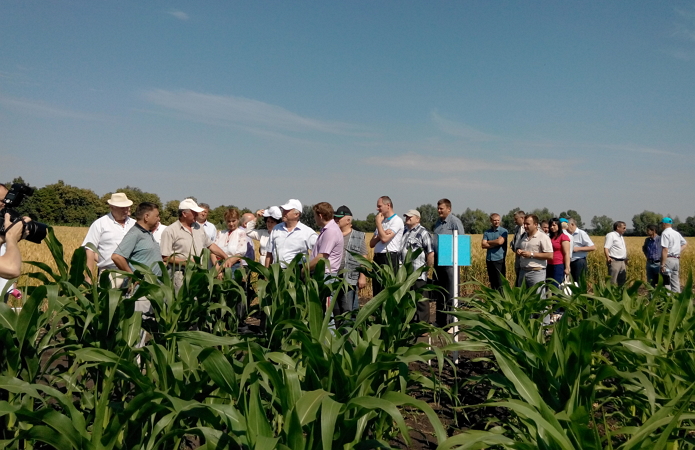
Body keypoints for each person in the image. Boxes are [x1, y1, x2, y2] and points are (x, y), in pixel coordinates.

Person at [111, 202, 163, 339]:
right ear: (146, 216)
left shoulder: (146, 233)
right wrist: (134, 276)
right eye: (156, 216)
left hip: (151, 290)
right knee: (136, 332)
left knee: (147, 330)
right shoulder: (135, 234)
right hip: (140, 292)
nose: (159, 219)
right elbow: (117, 256)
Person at [159, 198, 229, 291]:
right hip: (180, 275)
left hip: (199, 273)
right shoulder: (170, 231)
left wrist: (225, 256)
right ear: (184, 214)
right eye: (194, 212)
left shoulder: (198, 227)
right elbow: (165, 257)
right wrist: (187, 262)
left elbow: (210, 245)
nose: (197, 214)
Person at [82, 192, 135, 284]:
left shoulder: (134, 224)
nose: (126, 210)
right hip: (109, 274)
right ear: (112, 207)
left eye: (127, 207)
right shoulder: (100, 224)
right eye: (122, 208)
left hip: (133, 273)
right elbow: (90, 249)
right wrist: (88, 277)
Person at [432, 198, 465, 327]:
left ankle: (452, 323)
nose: (439, 211)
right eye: (438, 208)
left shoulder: (455, 222)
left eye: (442, 208)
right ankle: (440, 321)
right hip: (438, 262)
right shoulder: (438, 223)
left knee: (452, 293)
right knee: (440, 293)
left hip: (450, 263)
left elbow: (461, 241)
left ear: (449, 209)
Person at [400, 209, 435, 323]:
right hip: (405, 273)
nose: (407, 218)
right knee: (408, 299)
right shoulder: (404, 231)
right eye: (406, 217)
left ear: (417, 219)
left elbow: (430, 253)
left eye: (410, 217)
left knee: (421, 301)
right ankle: (409, 322)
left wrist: (427, 269)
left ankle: (423, 325)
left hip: (417, 273)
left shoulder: (423, 232)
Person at [333, 205, 367, 314]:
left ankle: (347, 330)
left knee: (347, 309)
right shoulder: (332, 234)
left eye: (339, 218)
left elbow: (363, 257)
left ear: (348, 220)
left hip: (349, 279)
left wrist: (362, 277)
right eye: (335, 217)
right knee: (334, 309)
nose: (336, 220)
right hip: (333, 277)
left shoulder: (358, 236)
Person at [265, 199, 318, 268]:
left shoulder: (307, 232)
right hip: (277, 273)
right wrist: (266, 274)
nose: (283, 213)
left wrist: (307, 269)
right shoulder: (276, 229)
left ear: (296, 214)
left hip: (296, 274)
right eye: (283, 210)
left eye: (287, 210)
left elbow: (319, 252)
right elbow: (269, 253)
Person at [369, 196, 404, 296]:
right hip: (378, 258)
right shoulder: (383, 222)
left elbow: (384, 239)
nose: (377, 209)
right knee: (377, 289)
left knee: (387, 289)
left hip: (389, 258)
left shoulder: (397, 221)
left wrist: (378, 225)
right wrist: (382, 232)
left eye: (379, 206)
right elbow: (371, 243)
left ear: (388, 205)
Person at [516, 214, 553, 287]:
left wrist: (531, 254)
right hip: (523, 271)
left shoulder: (543, 237)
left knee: (537, 296)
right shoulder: (523, 236)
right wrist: (518, 251)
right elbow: (518, 247)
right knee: (522, 297)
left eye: (528, 224)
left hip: (536, 273)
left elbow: (550, 255)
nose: (525, 226)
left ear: (535, 225)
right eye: (524, 224)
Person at [309, 202, 343, 276]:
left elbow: (321, 257)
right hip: (323, 273)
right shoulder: (329, 229)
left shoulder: (330, 231)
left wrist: (305, 269)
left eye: (315, 216)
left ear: (320, 216)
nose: (314, 218)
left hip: (324, 274)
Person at [214, 208, 247, 274]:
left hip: (233, 266)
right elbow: (213, 251)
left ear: (238, 220)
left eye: (233, 221)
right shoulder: (220, 233)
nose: (231, 224)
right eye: (229, 221)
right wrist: (216, 267)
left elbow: (239, 254)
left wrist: (221, 267)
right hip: (218, 264)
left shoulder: (241, 233)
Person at [660, 217, 687, 293]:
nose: (661, 225)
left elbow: (665, 249)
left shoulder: (665, 233)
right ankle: (677, 300)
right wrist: (677, 251)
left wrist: (663, 264)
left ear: (664, 224)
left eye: (662, 224)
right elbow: (685, 244)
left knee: (666, 282)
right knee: (675, 282)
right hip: (676, 260)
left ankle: (668, 301)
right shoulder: (676, 233)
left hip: (668, 261)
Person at [481, 213, 508, 292]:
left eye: (498, 220)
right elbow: (483, 245)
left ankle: (502, 300)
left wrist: (488, 242)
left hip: (499, 259)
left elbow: (500, 242)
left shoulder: (504, 231)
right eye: (495, 220)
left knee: (500, 282)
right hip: (489, 259)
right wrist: (495, 243)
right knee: (492, 281)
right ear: (491, 221)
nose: (497, 222)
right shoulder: (487, 232)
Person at [568, 218, 595, 283]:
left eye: (567, 225)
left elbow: (592, 247)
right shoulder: (567, 234)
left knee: (579, 282)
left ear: (572, 224)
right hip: (569, 262)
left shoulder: (581, 233)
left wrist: (578, 249)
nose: (566, 228)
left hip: (579, 261)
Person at [546, 218, 571, 287]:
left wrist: (567, 267)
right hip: (549, 264)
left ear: (559, 226)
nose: (552, 227)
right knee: (548, 285)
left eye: (554, 225)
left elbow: (567, 253)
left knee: (556, 286)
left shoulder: (563, 237)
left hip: (558, 265)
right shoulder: (549, 237)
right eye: (550, 225)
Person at [604, 221, 628, 286]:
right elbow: (606, 248)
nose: (625, 230)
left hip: (622, 261)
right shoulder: (611, 235)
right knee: (613, 280)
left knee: (622, 281)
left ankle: (620, 294)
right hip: (614, 261)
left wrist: (625, 258)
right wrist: (608, 258)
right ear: (618, 227)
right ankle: (611, 294)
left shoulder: (621, 236)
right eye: (624, 228)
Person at [509, 210, 526, 287]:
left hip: (526, 257)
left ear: (522, 218)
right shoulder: (517, 228)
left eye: (516, 219)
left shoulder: (528, 228)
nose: (514, 221)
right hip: (518, 257)